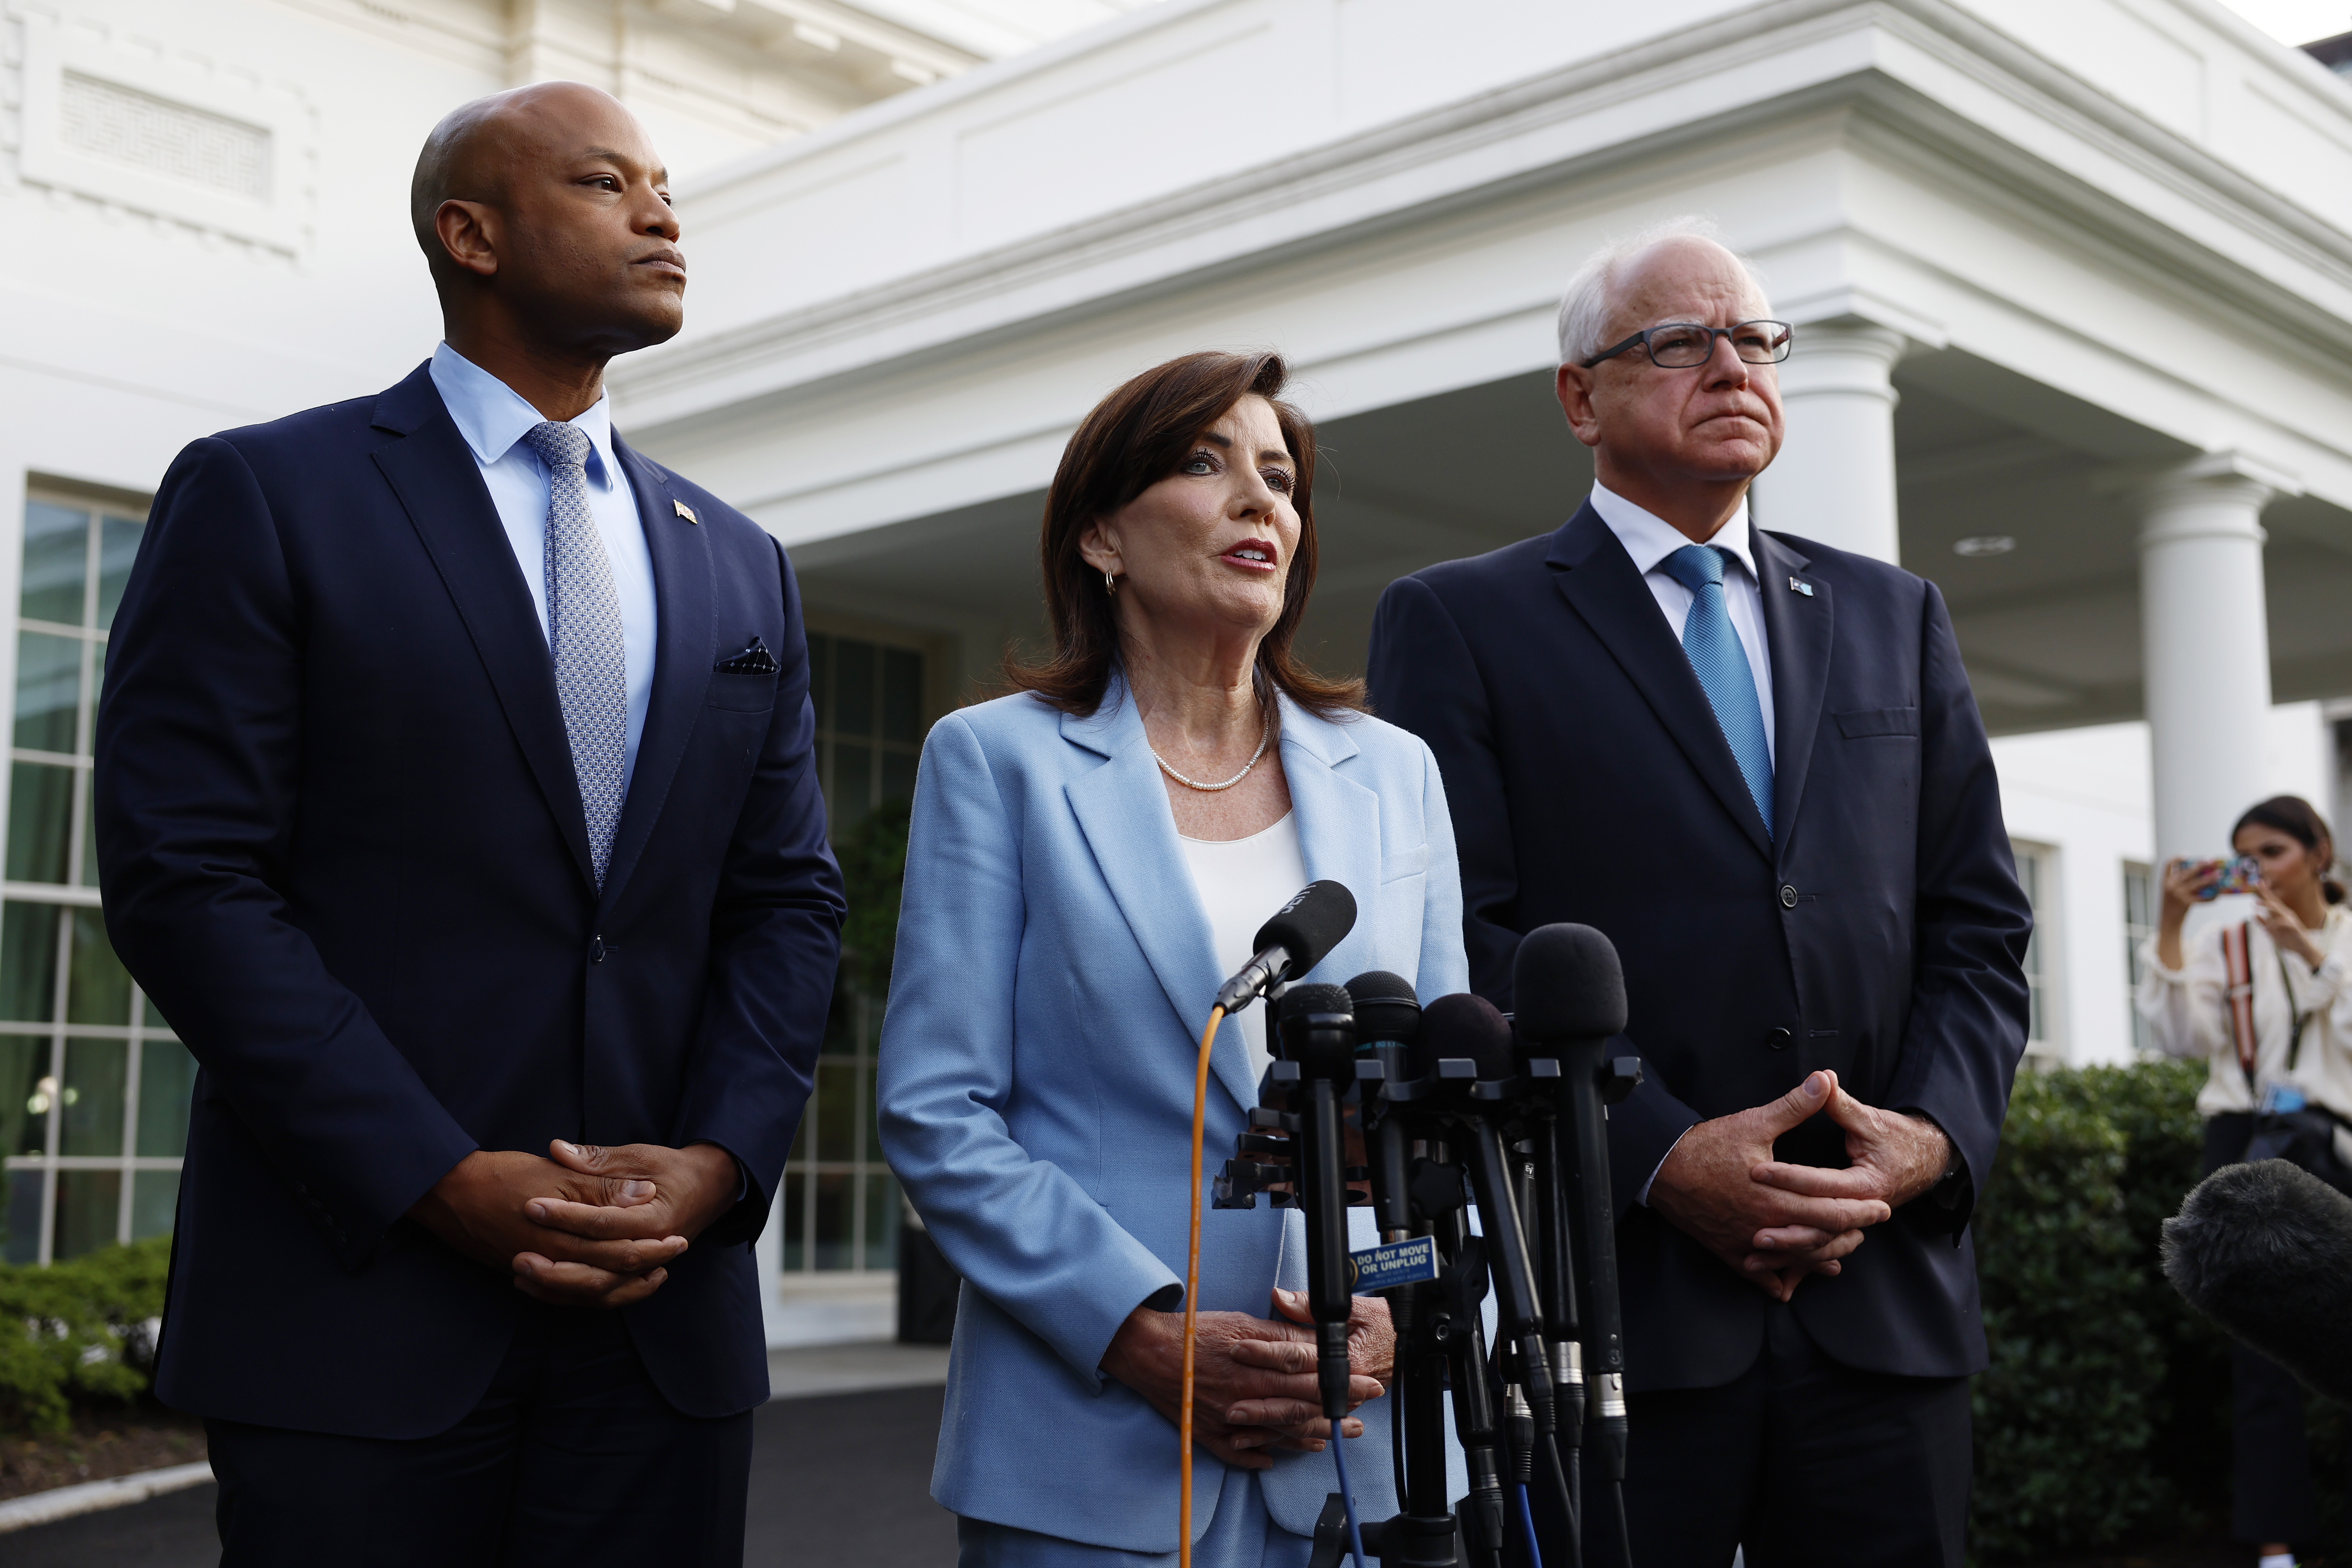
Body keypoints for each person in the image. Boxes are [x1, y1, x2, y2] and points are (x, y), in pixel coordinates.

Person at [93, 83, 844, 1563]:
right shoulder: (266, 493)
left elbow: (787, 904)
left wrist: (715, 1167)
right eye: (606, 181)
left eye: (669, 185)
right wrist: (436, 1177)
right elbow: (188, 877)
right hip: (357, 1311)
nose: (663, 210)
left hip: (661, 1329)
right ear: (471, 232)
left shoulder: (743, 564)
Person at [1365, 220, 2033, 1567]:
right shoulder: (1460, 622)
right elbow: (1463, 938)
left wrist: (1931, 1146)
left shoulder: (1894, 613)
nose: (1733, 367)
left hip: (1882, 1298)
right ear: (1579, 396)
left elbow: (1979, 931)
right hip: (1621, 1316)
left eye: (1758, 340)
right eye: (1680, 341)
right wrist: (1666, 1158)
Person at [878, 350, 1468, 1566]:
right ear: (1101, 534)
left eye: (1280, 476)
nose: (1263, 502)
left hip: (1362, 1447)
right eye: (1207, 464)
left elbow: (1443, 1111)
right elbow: (939, 1110)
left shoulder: (1395, 774)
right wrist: (1139, 1327)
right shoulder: (996, 763)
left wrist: (1394, 1323)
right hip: (1089, 1444)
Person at [2139, 795, 2352, 1568]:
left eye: (2273, 851)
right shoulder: (2228, 944)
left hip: (2341, 1140)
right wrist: (2168, 925)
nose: (2257, 869)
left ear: (2319, 852)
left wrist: (2312, 952)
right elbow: (2178, 1039)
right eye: (2243, 855)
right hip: (2248, 1141)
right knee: (2262, 1349)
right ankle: (2274, 1545)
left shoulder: (2346, 937)